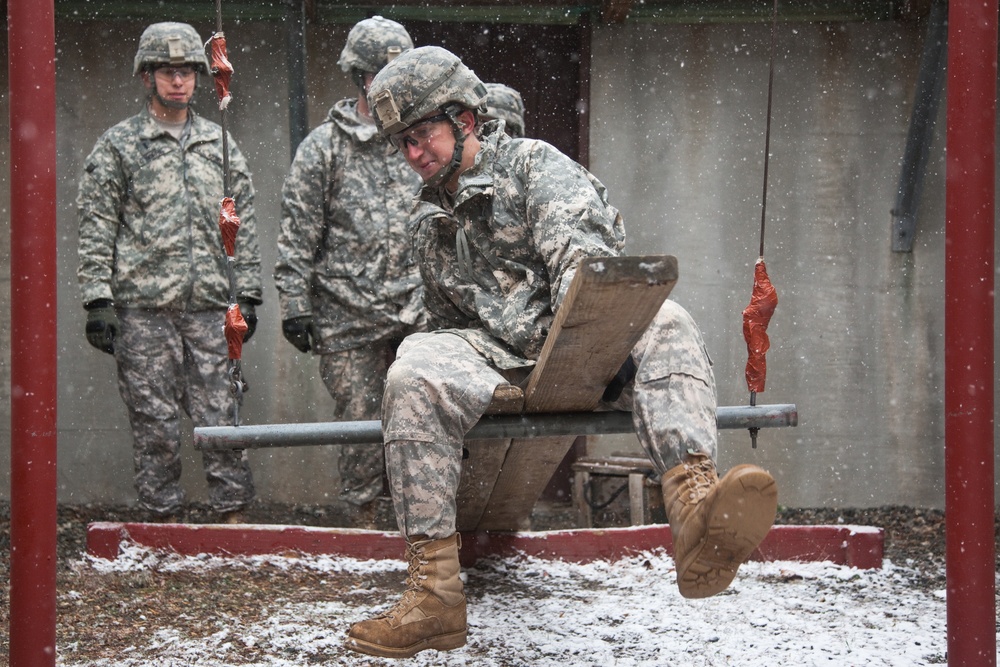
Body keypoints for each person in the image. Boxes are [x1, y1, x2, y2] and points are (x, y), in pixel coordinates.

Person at [344, 46, 779, 659]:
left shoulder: (532, 167)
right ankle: (434, 596)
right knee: (412, 368)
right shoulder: (430, 222)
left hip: (577, 341)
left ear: (464, 119)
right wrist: (458, 397)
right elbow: (448, 323)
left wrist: (596, 356)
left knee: (665, 315)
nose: (414, 154)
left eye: (423, 135)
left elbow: (589, 278)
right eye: (403, 144)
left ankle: (694, 510)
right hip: (497, 355)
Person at [77, 22, 261, 524]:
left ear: (199, 79)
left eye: (187, 72)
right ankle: (162, 522)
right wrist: (98, 300)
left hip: (208, 308)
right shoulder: (119, 147)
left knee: (222, 413)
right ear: (146, 77)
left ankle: (234, 516)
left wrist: (247, 293)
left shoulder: (218, 144)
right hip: (143, 313)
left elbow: (239, 220)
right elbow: (97, 224)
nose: (178, 81)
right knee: (153, 422)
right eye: (167, 71)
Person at [273, 16, 424, 528]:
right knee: (361, 423)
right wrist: (295, 306)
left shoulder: (419, 141)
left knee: (423, 420)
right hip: (346, 314)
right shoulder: (323, 148)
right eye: (380, 73)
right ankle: (361, 523)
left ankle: (423, 525)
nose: (390, 84)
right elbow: (297, 234)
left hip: (417, 310)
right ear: (359, 77)